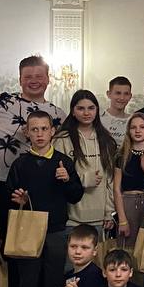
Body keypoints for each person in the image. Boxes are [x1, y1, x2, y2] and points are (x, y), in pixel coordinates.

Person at [0, 56, 64, 287]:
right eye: (28, 77)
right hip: (0, 185)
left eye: (39, 76)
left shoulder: (58, 114)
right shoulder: (2, 102)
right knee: (7, 247)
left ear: (48, 79)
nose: (34, 81)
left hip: (38, 191)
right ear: (20, 79)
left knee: (36, 252)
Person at [6, 110, 84, 287]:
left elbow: (76, 196)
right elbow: (8, 197)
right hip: (27, 231)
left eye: (44, 129)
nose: (39, 134)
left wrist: (67, 180)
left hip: (56, 230)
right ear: (27, 133)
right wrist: (19, 200)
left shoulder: (63, 162)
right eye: (34, 129)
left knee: (55, 279)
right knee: (28, 279)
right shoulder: (20, 164)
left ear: (52, 131)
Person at [53, 89, 118, 235]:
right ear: (73, 111)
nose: (86, 113)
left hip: (100, 218)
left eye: (91, 108)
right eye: (81, 108)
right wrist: (82, 180)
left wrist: (109, 212)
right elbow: (56, 179)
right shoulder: (62, 139)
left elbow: (110, 180)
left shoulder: (106, 140)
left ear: (97, 110)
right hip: (71, 218)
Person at [113, 114, 144, 247]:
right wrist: (122, 219)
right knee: (126, 246)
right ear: (129, 131)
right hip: (127, 203)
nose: (138, 131)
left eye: (142, 127)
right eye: (133, 127)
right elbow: (116, 189)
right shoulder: (122, 155)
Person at [100, 76, 133, 142]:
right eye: (118, 93)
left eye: (126, 94)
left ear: (130, 96)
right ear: (108, 94)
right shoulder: (99, 119)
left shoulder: (133, 121)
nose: (122, 98)